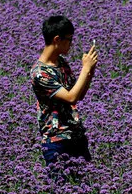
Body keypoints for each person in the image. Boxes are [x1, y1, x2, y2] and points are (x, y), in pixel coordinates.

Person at [30, 15, 98, 169]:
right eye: (69, 39)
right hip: (57, 142)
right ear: (57, 39)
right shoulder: (40, 73)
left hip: (76, 137)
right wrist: (85, 68)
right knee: (61, 190)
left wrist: (90, 72)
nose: (71, 44)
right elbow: (70, 97)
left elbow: (79, 94)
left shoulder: (61, 63)